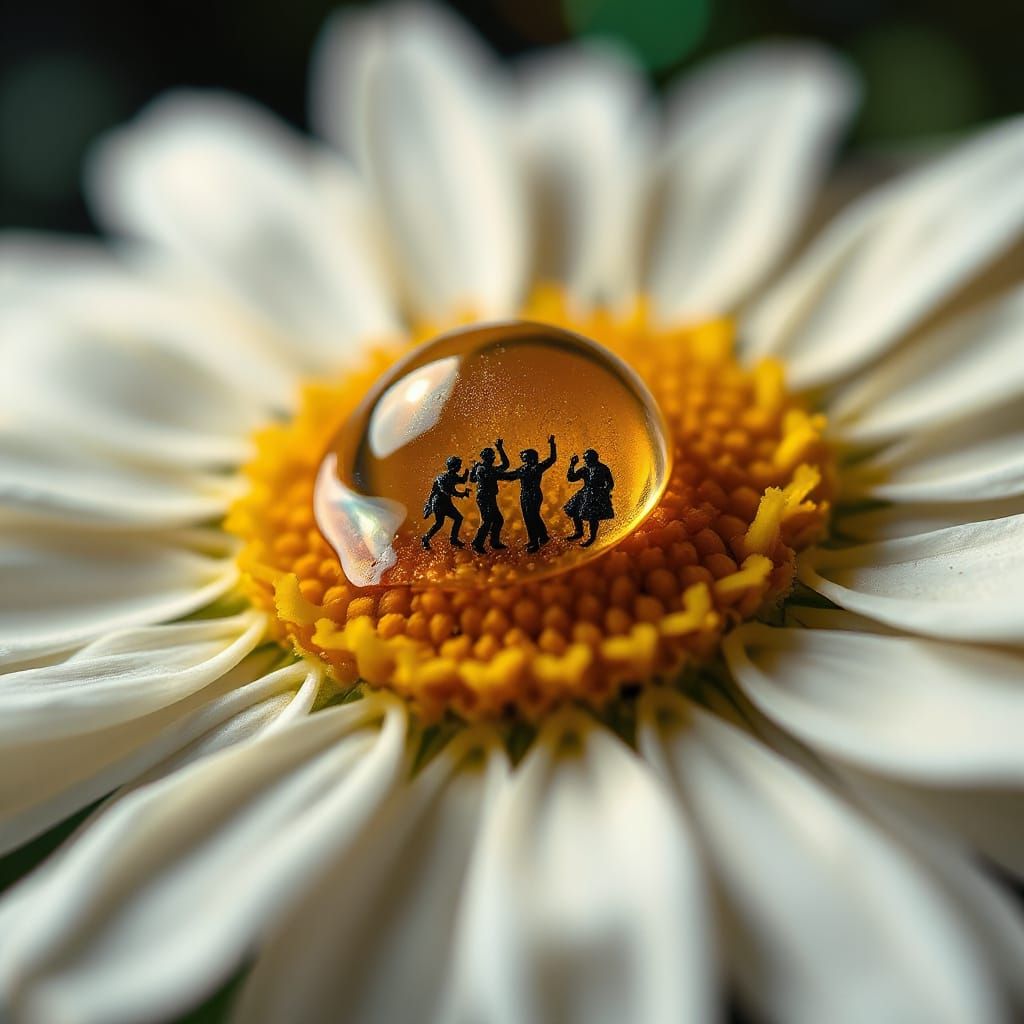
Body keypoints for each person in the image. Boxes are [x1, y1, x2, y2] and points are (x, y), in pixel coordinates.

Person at [500, 435, 557, 553]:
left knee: (533, 517)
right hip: (524, 495)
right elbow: (510, 476)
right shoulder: (523, 469)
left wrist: (552, 444)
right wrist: (496, 475)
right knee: (528, 518)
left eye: (525, 457)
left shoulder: (537, 467)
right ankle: (539, 538)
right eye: (523, 457)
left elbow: (552, 459)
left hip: (534, 494)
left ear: (531, 457)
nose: (523, 458)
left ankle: (536, 542)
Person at [564, 448, 614, 548]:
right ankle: (579, 531)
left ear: (593, 458)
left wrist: (605, 491)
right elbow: (571, 478)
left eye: (587, 459)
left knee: (593, 516)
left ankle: (592, 537)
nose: (585, 461)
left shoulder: (603, 468)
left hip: (597, 493)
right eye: (585, 459)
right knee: (574, 509)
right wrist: (572, 465)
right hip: (585, 492)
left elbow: (610, 483)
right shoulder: (585, 469)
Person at [469, 438, 510, 554]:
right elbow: (504, 467)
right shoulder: (484, 468)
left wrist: (500, 448)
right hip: (484, 497)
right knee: (487, 521)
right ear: (488, 458)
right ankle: (477, 543)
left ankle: (494, 542)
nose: (493, 458)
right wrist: (500, 449)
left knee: (497, 520)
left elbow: (472, 479)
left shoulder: (482, 467)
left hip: (488, 497)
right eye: (492, 456)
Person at [421, 455, 469, 550]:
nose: (460, 467)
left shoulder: (454, 476)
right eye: (459, 465)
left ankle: (453, 539)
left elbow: (462, 480)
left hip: (446, 502)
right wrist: (462, 494)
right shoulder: (442, 478)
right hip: (439, 503)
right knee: (439, 523)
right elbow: (446, 491)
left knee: (458, 518)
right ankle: (425, 538)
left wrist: (467, 472)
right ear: (453, 467)